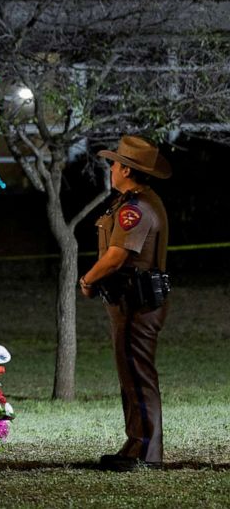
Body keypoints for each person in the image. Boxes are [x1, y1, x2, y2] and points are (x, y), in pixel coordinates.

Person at [79, 135, 171, 471]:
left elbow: (117, 257)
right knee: (131, 376)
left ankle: (146, 452)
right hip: (130, 301)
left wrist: (88, 279)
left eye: (116, 164)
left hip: (137, 303)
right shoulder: (133, 202)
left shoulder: (136, 209)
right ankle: (136, 445)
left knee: (138, 375)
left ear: (128, 170)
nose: (112, 169)